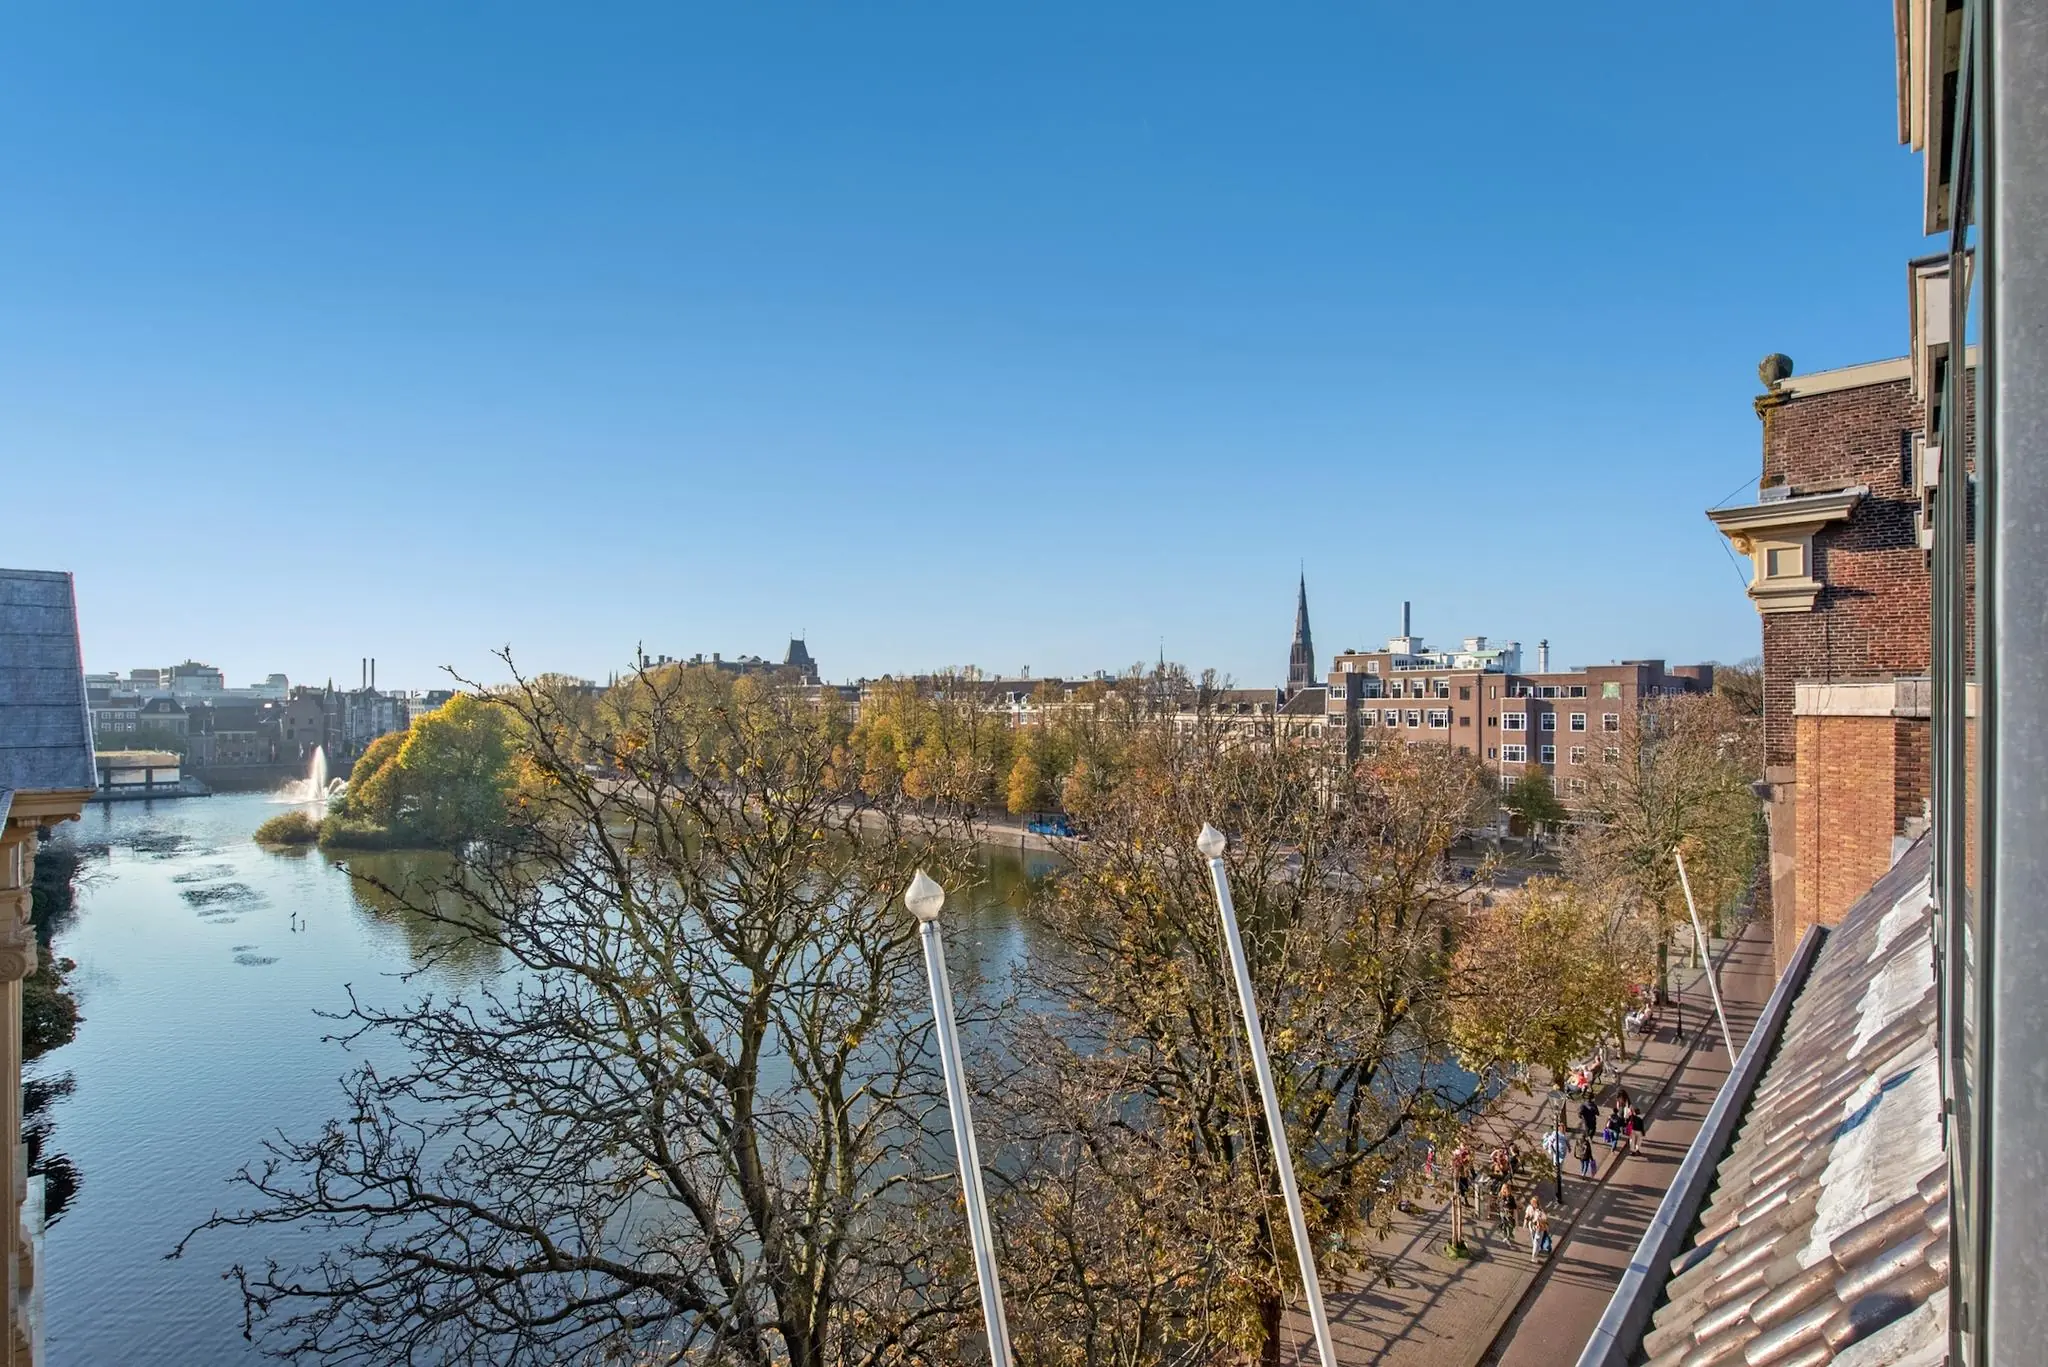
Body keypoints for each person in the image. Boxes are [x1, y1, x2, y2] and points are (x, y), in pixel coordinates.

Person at [1544, 1124, 1570, 1202]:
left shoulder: (1563, 1135)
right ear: (1560, 1129)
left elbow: (1566, 1141)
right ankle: (1557, 1171)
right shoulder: (1556, 1134)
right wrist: (1550, 1148)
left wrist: (1569, 1147)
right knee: (1557, 1162)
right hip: (1557, 1152)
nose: (1564, 1130)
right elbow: (1550, 1142)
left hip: (1560, 1153)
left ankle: (1558, 1171)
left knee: (1559, 1163)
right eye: (1563, 1128)